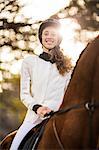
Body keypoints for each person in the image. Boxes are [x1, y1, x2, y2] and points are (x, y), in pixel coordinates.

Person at [10, 18, 72, 150]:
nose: (49, 37)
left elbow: (69, 95)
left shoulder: (68, 68)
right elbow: (24, 94)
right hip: (33, 119)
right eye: (46, 33)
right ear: (41, 37)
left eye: (53, 34)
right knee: (14, 147)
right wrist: (38, 108)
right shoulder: (29, 62)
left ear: (58, 38)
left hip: (58, 119)